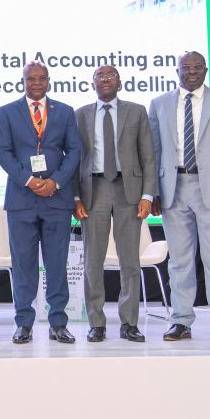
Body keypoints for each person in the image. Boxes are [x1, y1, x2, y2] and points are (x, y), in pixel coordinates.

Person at [148, 51, 210, 344]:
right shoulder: (159, 104)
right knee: (179, 261)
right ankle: (181, 320)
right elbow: (153, 152)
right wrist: (153, 191)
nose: (191, 72)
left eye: (197, 67)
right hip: (173, 188)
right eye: (186, 67)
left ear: (205, 70)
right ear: (176, 71)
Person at [0, 62, 82, 344]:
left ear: (48, 81)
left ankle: (58, 323)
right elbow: (3, 153)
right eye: (30, 78)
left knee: (57, 264)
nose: (36, 83)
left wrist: (55, 181)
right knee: (23, 265)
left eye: (41, 78)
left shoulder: (65, 111)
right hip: (21, 200)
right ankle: (24, 323)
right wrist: (29, 181)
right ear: (22, 81)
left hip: (56, 199)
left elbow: (74, 151)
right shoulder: (7, 112)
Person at [73, 65, 157, 342]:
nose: (105, 80)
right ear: (92, 84)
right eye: (100, 76)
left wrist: (147, 196)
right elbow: (73, 159)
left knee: (130, 261)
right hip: (93, 190)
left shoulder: (137, 111)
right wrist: (75, 197)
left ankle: (129, 322)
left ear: (120, 83)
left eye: (111, 76)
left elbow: (148, 157)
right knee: (93, 262)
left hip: (128, 191)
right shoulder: (80, 115)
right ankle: (96, 323)